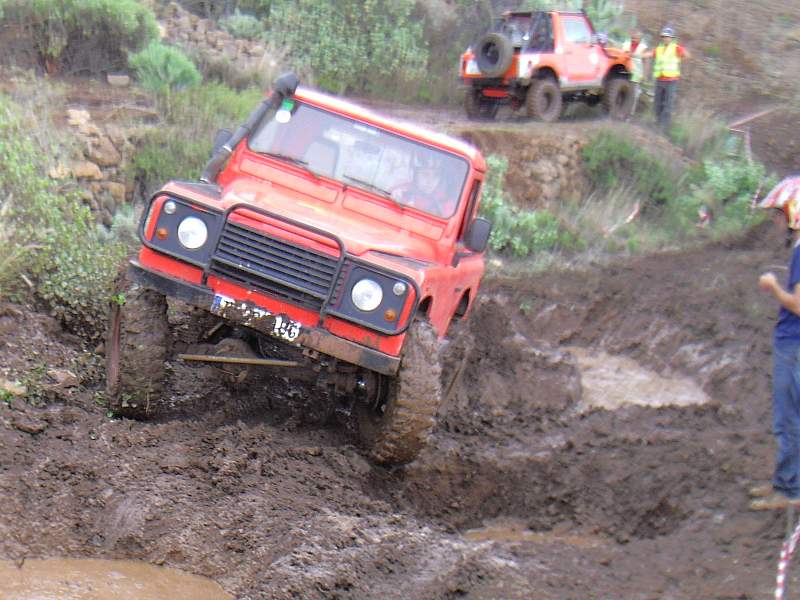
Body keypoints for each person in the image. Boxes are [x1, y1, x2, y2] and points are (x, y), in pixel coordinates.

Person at [751, 182, 800, 510]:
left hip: (793, 343)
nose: (777, 220)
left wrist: (772, 287)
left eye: (780, 213)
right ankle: (785, 481)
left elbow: (798, 305)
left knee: (788, 419)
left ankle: (789, 489)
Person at [644, 26, 690, 132]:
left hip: (671, 81)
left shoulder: (676, 48)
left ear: (672, 38)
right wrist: (638, 55)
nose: (666, 38)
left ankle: (663, 128)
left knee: (668, 104)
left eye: (668, 37)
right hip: (660, 79)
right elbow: (649, 54)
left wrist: (679, 60)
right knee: (657, 103)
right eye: (664, 36)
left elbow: (687, 55)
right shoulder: (659, 49)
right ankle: (657, 123)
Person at [621, 31, 648, 115]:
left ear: (640, 39)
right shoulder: (625, 44)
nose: (633, 39)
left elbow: (645, 61)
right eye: (632, 38)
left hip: (636, 73)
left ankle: (630, 113)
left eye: (636, 38)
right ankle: (621, 110)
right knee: (623, 91)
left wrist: (645, 75)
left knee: (633, 94)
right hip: (624, 71)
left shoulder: (643, 47)